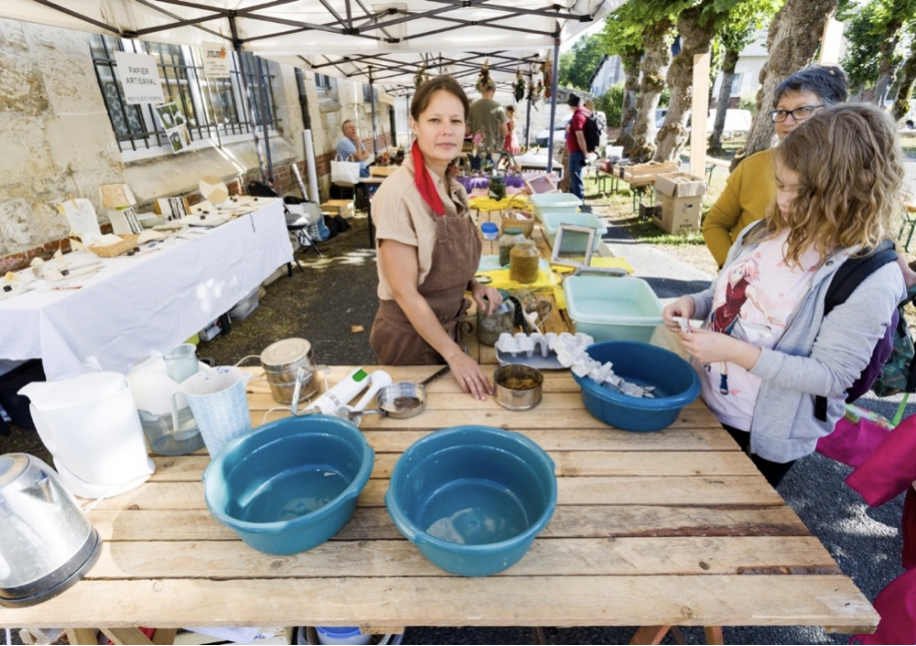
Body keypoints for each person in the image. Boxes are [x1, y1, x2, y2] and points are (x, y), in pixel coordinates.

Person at [663, 103, 907, 488]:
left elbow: (831, 376)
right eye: (781, 184)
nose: (784, 202)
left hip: (757, 436)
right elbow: (725, 288)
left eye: (804, 194)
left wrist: (731, 352)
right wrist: (696, 303)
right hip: (701, 401)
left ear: (853, 193)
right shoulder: (764, 230)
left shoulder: (869, 275)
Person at [369, 76, 503, 400]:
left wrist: (473, 285)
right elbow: (404, 292)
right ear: (414, 124)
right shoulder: (399, 194)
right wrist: (455, 355)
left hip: (447, 329)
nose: (447, 130)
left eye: (456, 120)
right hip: (412, 341)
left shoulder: (452, 187)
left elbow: (438, 264)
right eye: (434, 120)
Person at [702, 66, 847, 268]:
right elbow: (714, 224)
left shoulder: (849, 173)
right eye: (781, 112)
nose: (788, 121)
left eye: (802, 110)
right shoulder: (753, 166)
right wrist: (733, 270)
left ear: (833, 113)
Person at [467, 77, 508, 170]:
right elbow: (505, 132)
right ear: (493, 90)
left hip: (476, 149)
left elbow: (467, 131)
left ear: (480, 90)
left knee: (475, 179)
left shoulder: (472, 107)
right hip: (491, 150)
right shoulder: (498, 107)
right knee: (489, 179)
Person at [565, 93, 589, 200]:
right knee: (576, 178)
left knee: (576, 180)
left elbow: (580, 137)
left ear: (572, 106)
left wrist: (585, 154)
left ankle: (578, 204)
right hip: (578, 152)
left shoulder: (578, 116)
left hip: (577, 152)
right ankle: (574, 203)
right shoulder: (585, 112)